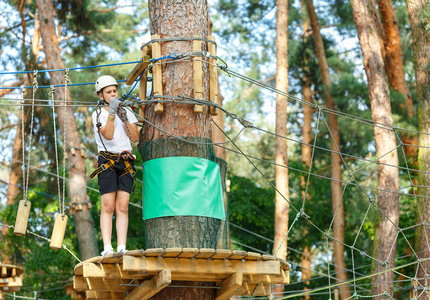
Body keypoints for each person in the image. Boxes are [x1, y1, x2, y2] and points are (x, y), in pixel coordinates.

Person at [90, 75, 139, 257]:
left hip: (125, 161)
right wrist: (112, 113)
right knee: (108, 205)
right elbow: (108, 135)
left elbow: (135, 138)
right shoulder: (97, 114)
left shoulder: (126, 111)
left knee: (123, 206)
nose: (113, 94)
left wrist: (125, 117)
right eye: (108, 92)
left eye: (114, 91)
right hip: (107, 161)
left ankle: (122, 246)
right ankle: (107, 246)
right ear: (101, 96)